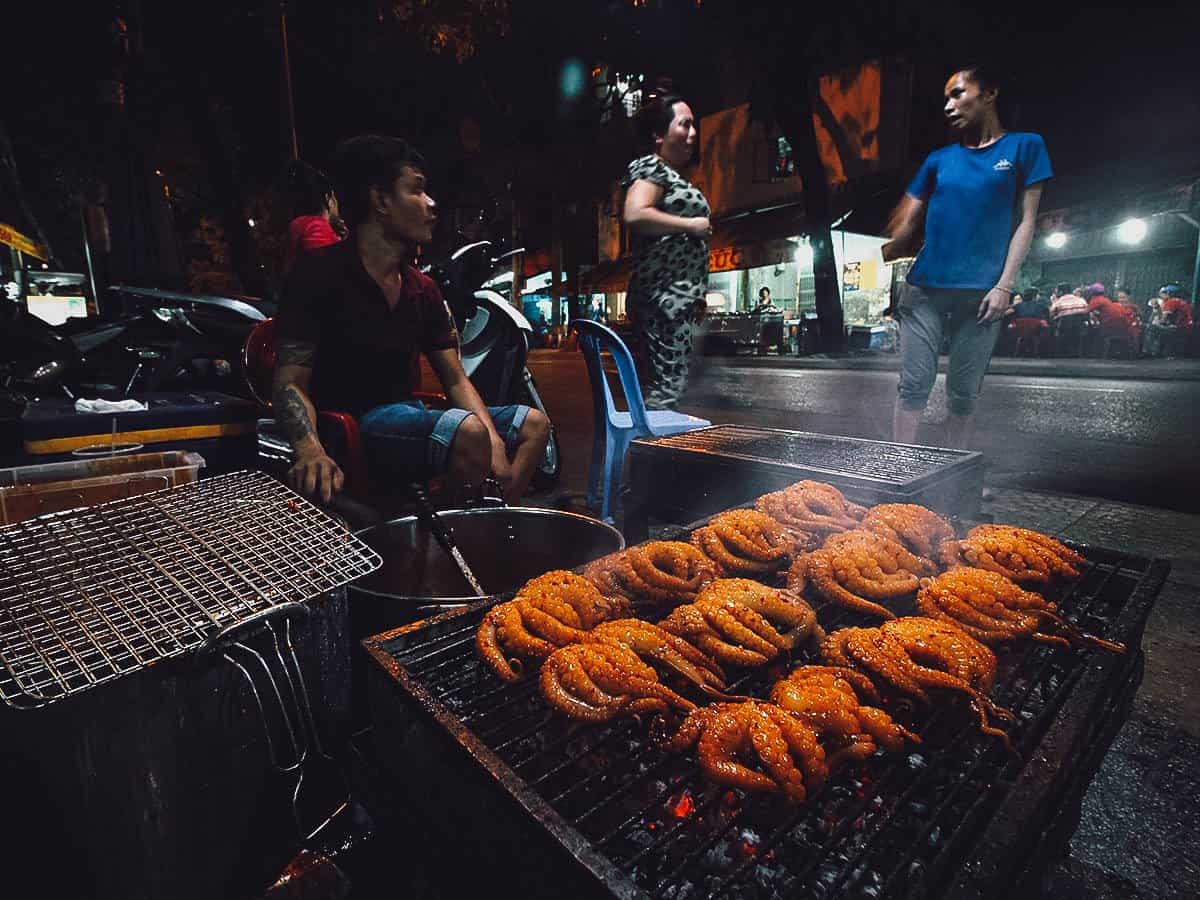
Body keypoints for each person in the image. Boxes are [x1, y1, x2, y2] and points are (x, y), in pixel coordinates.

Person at [273, 135, 551, 505]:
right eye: (417, 190)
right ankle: (452, 540)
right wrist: (310, 449)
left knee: (534, 426)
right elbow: (290, 382)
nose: (431, 204)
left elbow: (455, 378)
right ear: (381, 200)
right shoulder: (319, 273)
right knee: (468, 433)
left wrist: (494, 438)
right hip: (354, 425)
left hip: (410, 416)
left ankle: (488, 522)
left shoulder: (424, 289)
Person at [882, 64, 1051, 447]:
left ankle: (954, 476)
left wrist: (1005, 285)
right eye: (945, 97)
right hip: (924, 289)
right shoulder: (939, 160)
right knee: (913, 386)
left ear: (989, 94)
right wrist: (898, 235)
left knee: (963, 392)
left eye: (957, 93)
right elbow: (908, 216)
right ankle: (899, 469)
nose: (948, 105)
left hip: (982, 295)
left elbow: (1027, 222)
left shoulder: (1025, 146)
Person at [621, 90, 711, 410]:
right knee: (666, 391)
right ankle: (649, 454)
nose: (693, 133)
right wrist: (691, 226)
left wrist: (695, 294)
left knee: (671, 387)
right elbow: (634, 213)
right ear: (659, 135)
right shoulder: (652, 168)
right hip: (662, 301)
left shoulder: (669, 174)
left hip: (675, 303)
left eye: (694, 125)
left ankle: (654, 452)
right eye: (684, 125)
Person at [282, 160, 345, 273]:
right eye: (335, 198)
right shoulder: (316, 227)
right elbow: (330, 274)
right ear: (328, 198)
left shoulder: (298, 224)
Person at [1145, 283, 1194, 356]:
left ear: (1168, 293)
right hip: (1187, 328)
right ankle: (1160, 351)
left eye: (1164, 292)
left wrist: (1155, 319)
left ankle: (1152, 351)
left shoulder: (1171, 302)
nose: (1161, 294)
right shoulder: (1183, 301)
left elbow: (1163, 320)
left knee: (1152, 327)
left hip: (1180, 329)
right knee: (1158, 326)